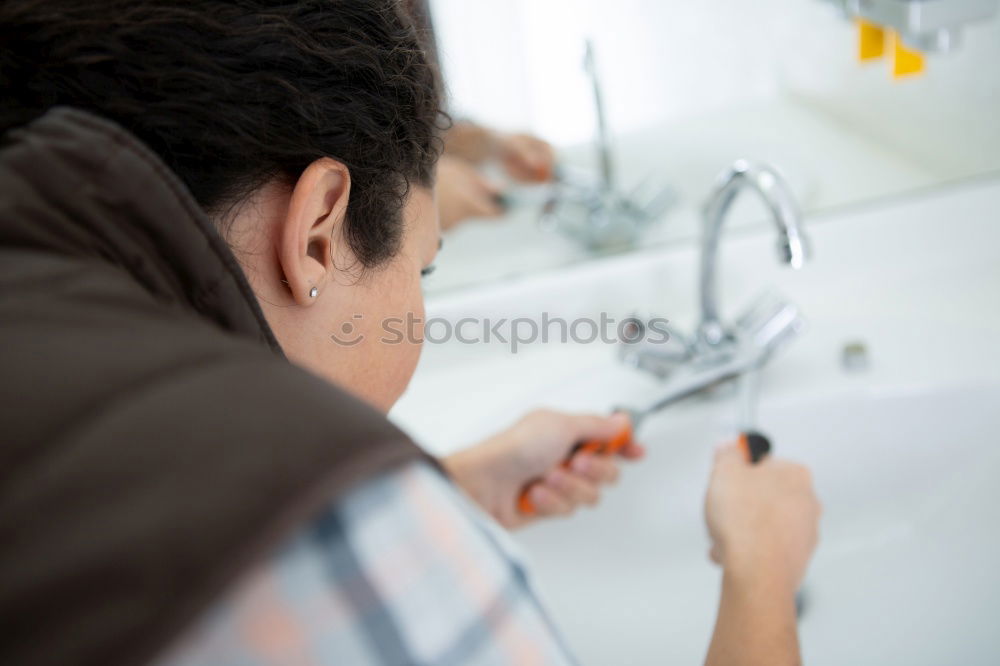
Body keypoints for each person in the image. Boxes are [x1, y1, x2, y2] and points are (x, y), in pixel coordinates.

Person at [0, 2, 820, 665]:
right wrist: (762, 574)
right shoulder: (330, 521)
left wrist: (448, 489)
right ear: (318, 231)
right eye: (423, 270)